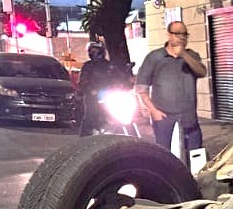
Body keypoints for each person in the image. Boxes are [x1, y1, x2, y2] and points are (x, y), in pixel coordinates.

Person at [135, 21, 208, 164]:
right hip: (164, 121)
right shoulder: (155, 57)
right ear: (169, 35)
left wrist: (184, 55)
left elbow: (202, 72)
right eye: (177, 33)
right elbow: (141, 89)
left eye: (184, 34)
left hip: (189, 120)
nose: (181, 37)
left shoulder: (192, 56)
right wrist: (153, 111)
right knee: (167, 161)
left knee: (196, 161)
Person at [77, 41, 133, 135]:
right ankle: (86, 135)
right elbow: (83, 82)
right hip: (93, 97)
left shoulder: (110, 65)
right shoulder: (88, 66)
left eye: (96, 50)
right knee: (90, 115)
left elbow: (119, 77)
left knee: (120, 114)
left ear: (102, 51)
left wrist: (125, 81)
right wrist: (91, 90)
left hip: (110, 95)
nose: (94, 53)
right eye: (92, 51)